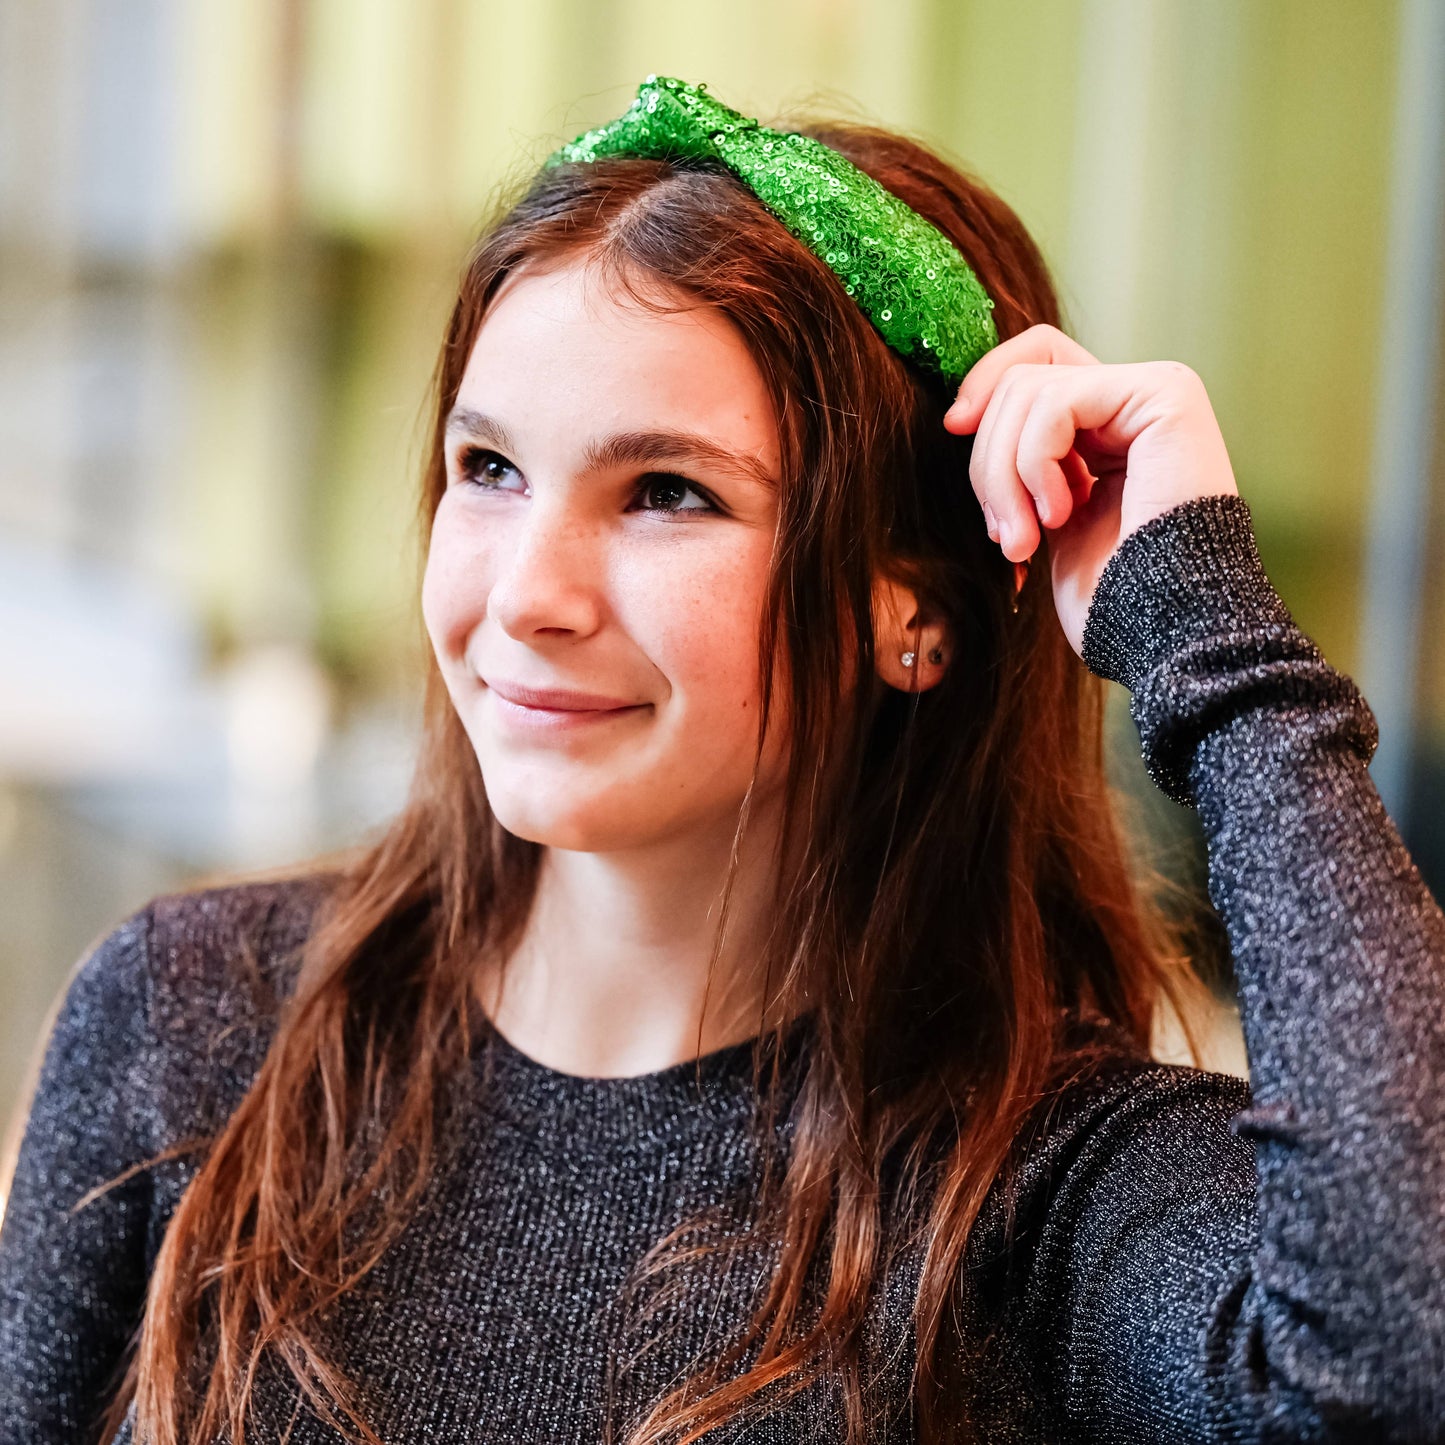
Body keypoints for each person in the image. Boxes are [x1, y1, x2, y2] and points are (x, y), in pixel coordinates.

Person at [1, 74, 1441, 1445]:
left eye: (665, 493)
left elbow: (1389, 1358)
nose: (524, 596)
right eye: (488, 469)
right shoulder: (192, 1020)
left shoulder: (1039, 1195)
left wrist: (1209, 635)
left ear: (916, 609)